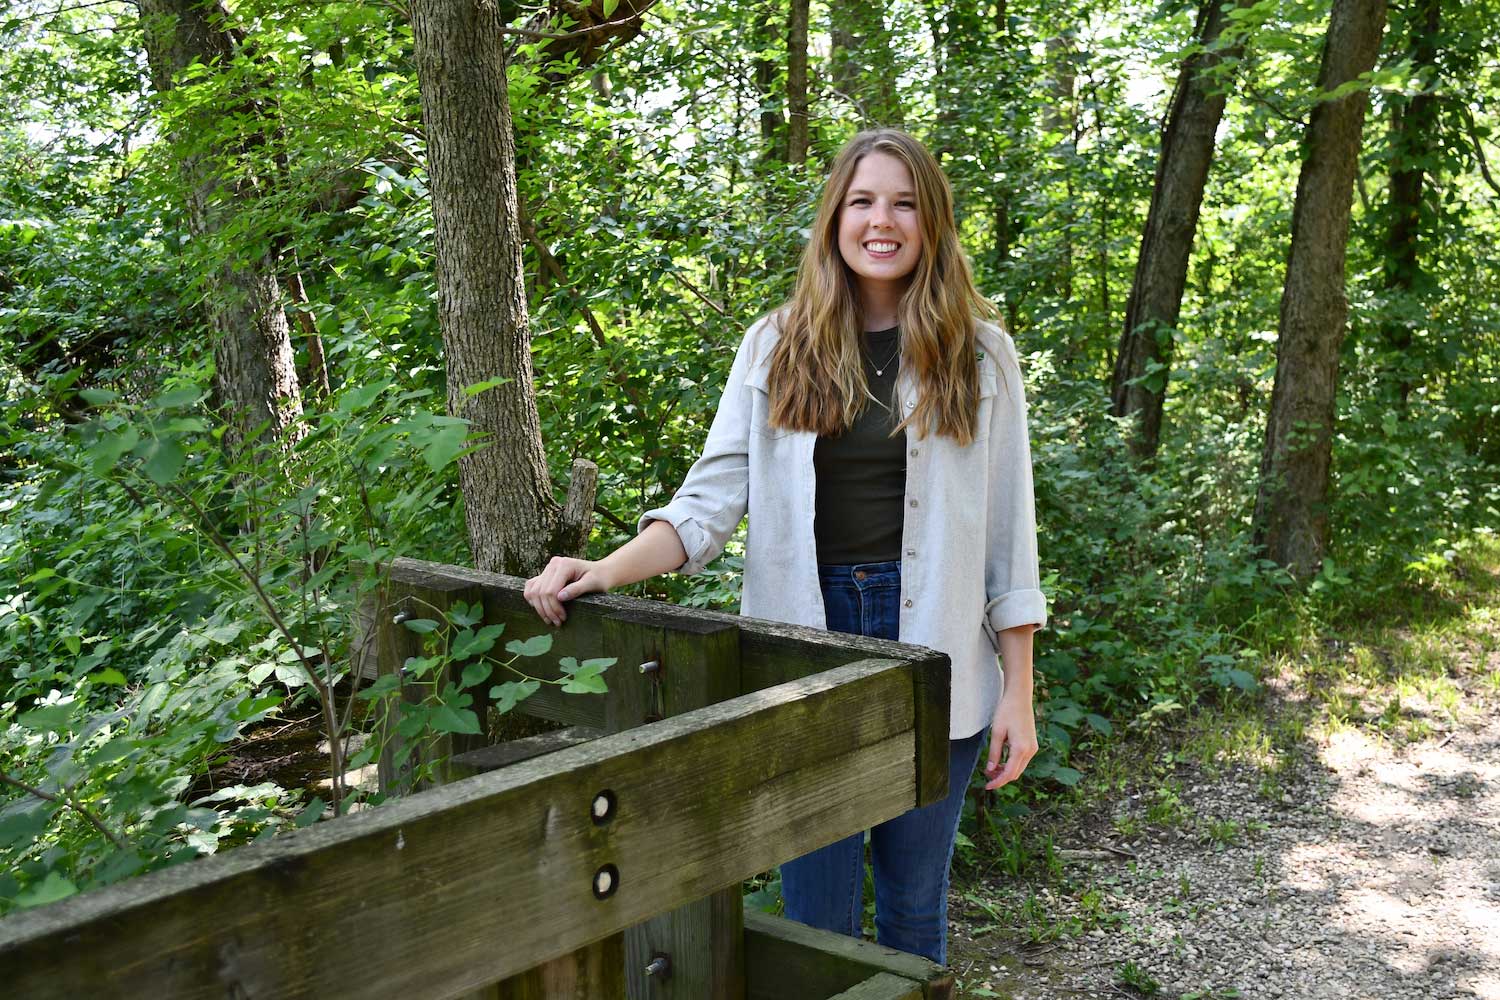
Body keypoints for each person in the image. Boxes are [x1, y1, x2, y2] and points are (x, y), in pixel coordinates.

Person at [523, 127, 1046, 965]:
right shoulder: (777, 343)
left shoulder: (981, 353)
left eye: (906, 203)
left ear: (933, 223)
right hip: (802, 649)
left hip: (941, 644)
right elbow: (707, 505)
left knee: (915, 908)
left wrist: (1017, 690)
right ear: (835, 217)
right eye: (864, 201)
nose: (884, 220)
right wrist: (605, 570)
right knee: (814, 916)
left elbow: (1008, 538)